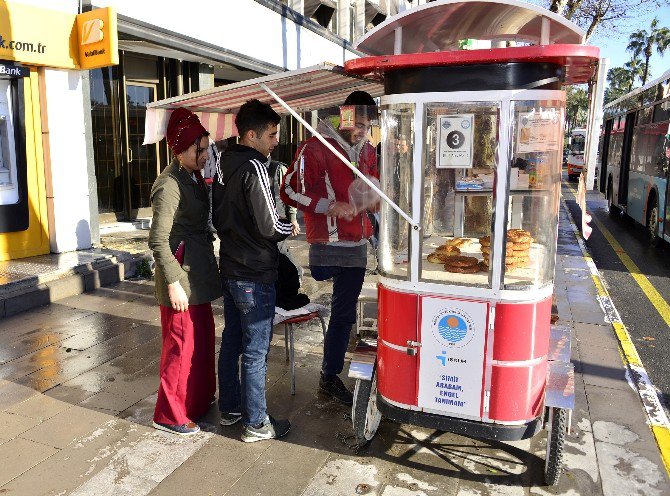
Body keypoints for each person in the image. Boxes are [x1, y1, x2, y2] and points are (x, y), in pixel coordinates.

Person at [280, 91, 379, 405]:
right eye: (359, 123)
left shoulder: (368, 152)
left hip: (359, 242)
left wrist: (374, 202)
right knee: (340, 309)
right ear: (345, 115)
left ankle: (329, 376)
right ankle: (330, 372)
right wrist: (328, 206)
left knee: (345, 315)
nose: (362, 130)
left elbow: (374, 188)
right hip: (327, 245)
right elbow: (289, 190)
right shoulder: (315, 147)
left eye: (368, 125)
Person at [212, 99, 293, 442]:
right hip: (254, 272)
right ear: (251, 135)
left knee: (232, 341)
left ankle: (230, 408)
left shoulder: (222, 164)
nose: (276, 141)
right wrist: (289, 227)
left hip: (231, 268)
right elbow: (269, 225)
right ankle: (256, 423)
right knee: (256, 350)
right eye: (272, 134)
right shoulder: (256, 167)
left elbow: (216, 219)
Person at [148, 107, 222, 435]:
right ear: (182, 147)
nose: (206, 154)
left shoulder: (191, 176)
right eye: (201, 149)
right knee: (180, 346)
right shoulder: (169, 184)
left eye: (206, 148)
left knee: (202, 341)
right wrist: (175, 282)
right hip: (180, 277)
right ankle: (169, 414)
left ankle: (197, 400)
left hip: (198, 274)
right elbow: (157, 240)